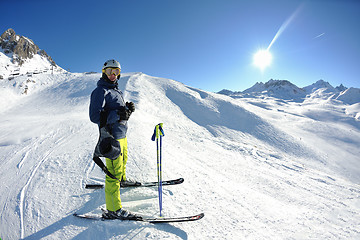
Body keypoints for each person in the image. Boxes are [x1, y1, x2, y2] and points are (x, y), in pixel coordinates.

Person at [89, 59, 140, 220]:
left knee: (123, 161)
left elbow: (114, 111)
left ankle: (122, 181)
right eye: (110, 71)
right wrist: (118, 114)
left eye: (116, 71)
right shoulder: (100, 91)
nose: (113, 75)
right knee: (113, 174)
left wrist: (126, 110)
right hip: (111, 137)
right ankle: (113, 209)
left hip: (121, 134)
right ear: (104, 71)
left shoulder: (115, 90)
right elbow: (95, 116)